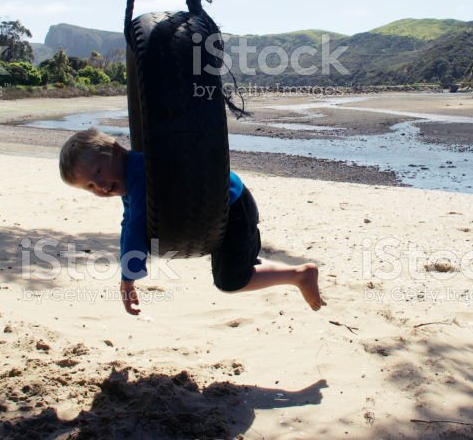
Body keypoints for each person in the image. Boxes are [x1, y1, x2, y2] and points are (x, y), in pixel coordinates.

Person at [59, 128, 324, 315]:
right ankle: (285, 270)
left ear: (116, 151)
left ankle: (300, 275)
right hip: (223, 206)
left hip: (231, 207)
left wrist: (128, 279)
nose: (101, 186)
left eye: (98, 172)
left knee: (231, 281)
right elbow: (128, 220)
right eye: (90, 186)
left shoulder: (139, 173)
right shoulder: (131, 176)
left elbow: (135, 227)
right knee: (236, 268)